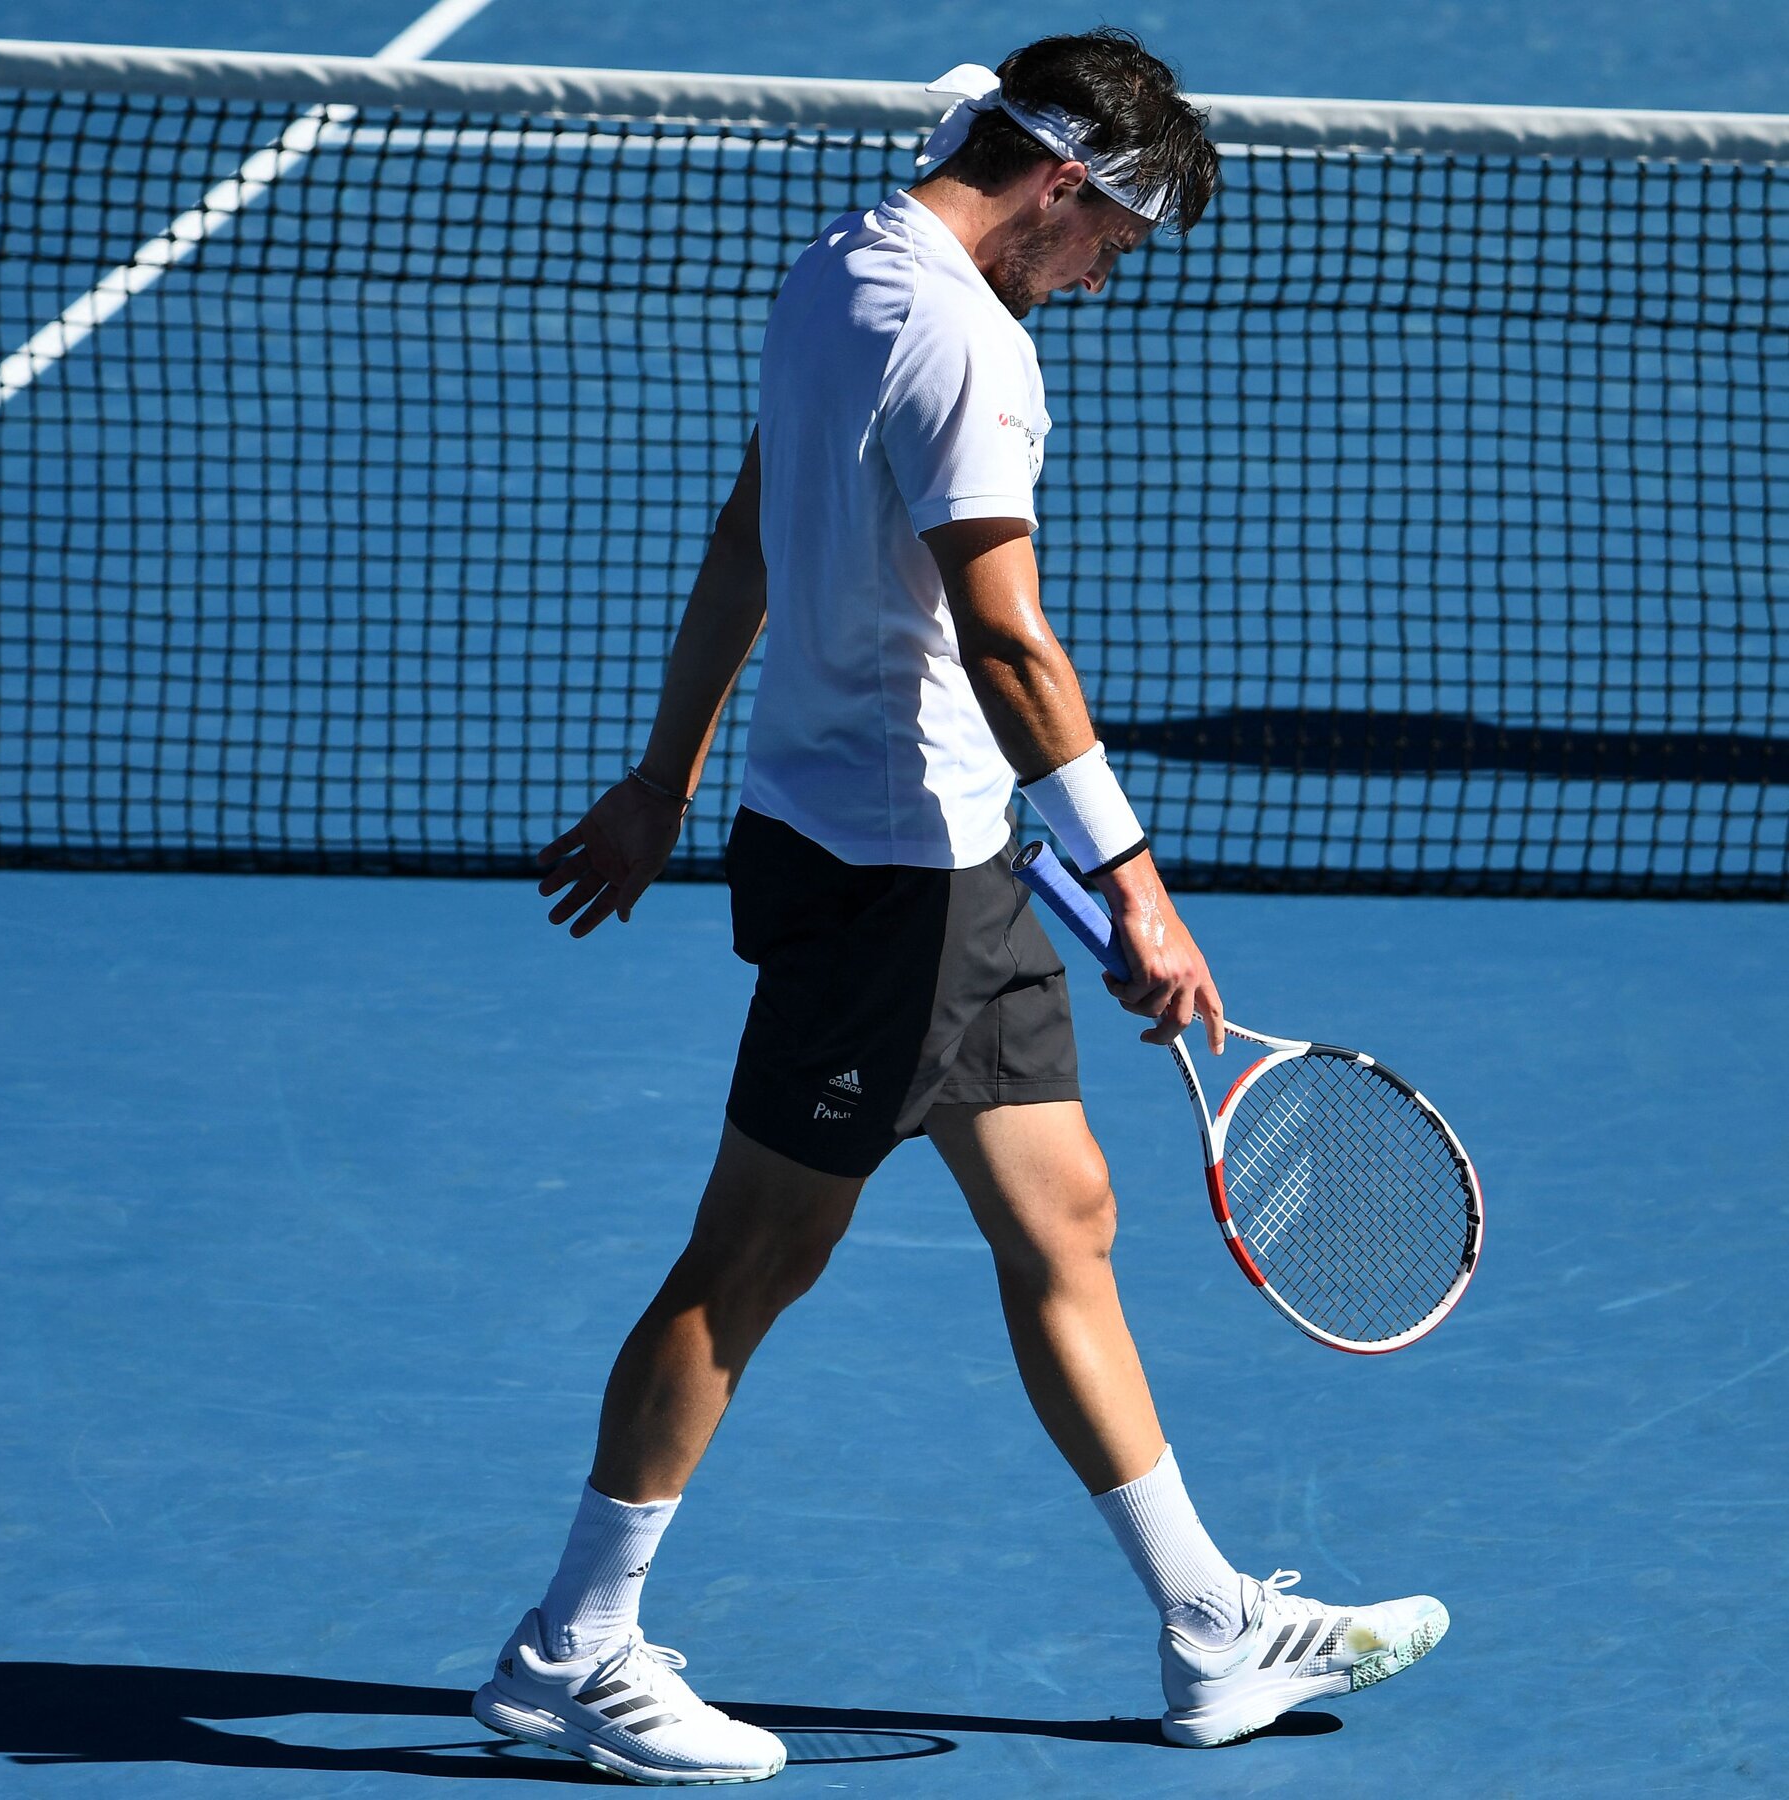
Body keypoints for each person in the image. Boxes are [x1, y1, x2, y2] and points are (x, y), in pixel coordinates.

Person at [471, 29, 1448, 1785]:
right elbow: (1006, 639)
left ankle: (1210, 1627)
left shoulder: (837, 268)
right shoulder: (970, 343)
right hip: (885, 885)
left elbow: (751, 528)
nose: (1108, 275)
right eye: (1115, 240)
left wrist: (665, 774)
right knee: (751, 1261)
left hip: (936, 858)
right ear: (1062, 184)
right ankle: (573, 1647)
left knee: (1065, 1216)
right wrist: (1136, 884)